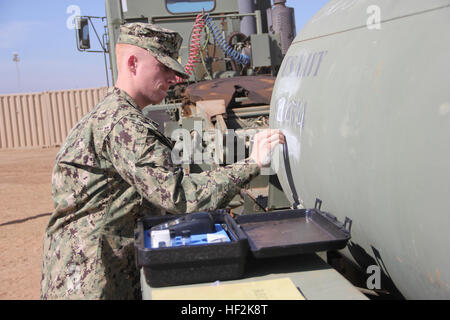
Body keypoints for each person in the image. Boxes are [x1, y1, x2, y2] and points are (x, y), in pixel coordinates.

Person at [40, 23, 285, 300]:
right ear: (133, 63)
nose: (174, 79)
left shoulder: (114, 113)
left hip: (95, 267)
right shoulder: (124, 124)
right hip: (94, 280)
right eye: (164, 68)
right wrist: (252, 163)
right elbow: (179, 197)